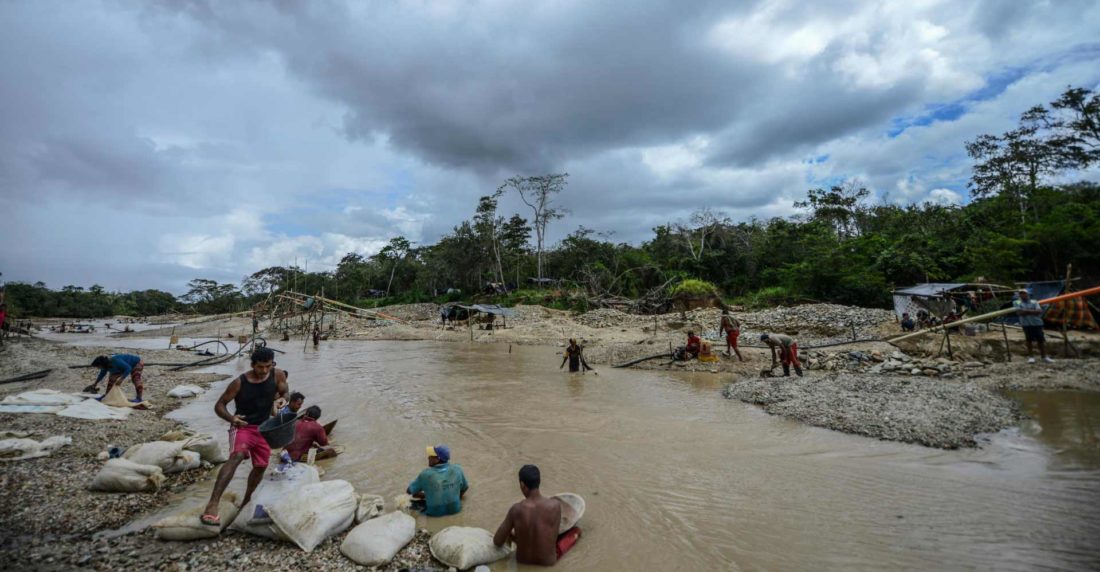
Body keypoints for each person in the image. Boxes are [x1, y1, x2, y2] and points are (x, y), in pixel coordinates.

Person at [200, 347, 289, 526]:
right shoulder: (239, 382)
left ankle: (246, 501)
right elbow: (219, 405)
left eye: (267, 366)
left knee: (261, 466)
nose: (264, 371)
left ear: (272, 365)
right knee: (236, 456)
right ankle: (213, 504)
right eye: (260, 367)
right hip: (243, 427)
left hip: (265, 429)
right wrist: (231, 418)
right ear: (252, 365)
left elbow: (285, 392)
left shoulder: (278, 375)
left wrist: (282, 399)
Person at [493, 464, 581, 565]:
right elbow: (553, 537)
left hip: (523, 563)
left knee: (511, 532)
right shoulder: (555, 506)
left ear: (522, 484)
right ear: (539, 482)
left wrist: (513, 535)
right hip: (547, 564)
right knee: (576, 531)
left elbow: (497, 541)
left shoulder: (515, 509)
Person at [406, 445, 469, 517]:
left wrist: (424, 495)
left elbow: (409, 491)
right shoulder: (457, 469)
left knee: (406, 503)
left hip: (434, 513)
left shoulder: (426, 474)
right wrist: (457, 498)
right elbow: (465, 487)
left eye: (431, 456)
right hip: (455, 510)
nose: (428, 457)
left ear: (437, 459)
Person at [1014, 288, 1052, 364]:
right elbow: (1019, 312)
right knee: (1029, 341)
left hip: (1037, 323)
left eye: (1024, 293)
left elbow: (1038, 311)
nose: (1022, 295)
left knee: (1041, 340)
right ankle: (1031, 357)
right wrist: (1032, 311)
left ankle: (1044, 357)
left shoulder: (1034, 301)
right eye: (1021, 293)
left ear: (1028, 294)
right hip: (1026, 324)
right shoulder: (1017, 302)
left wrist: (1025, 311)